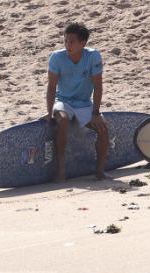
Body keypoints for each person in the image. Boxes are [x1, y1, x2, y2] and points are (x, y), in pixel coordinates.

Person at [45, 22, 110, 182]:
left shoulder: (93, 56)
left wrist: (96, 113)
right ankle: (61, 170)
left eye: (72, 42)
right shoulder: (56, 57)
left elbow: (98, 86)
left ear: (83, 43)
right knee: (63, 120)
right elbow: (51, 87)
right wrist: (49, 112)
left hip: (84, 103)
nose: (68, 45)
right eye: (65, 41)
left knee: (103, 129)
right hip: (63, 101)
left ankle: (100, 172)